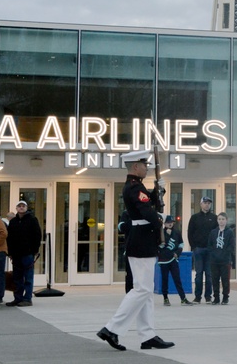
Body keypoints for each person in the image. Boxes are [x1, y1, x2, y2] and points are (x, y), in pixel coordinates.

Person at [97, 150, 174, 351]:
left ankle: (148, 335)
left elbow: (150, 203)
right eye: (144, 165)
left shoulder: (136, 187)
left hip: (142, 241)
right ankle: (111, 328)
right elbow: (148, 212)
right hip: (142, 242)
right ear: (135, 167)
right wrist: (161, 221)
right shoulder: (134, 187)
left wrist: (159, 192)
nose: (147, 168)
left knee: (145, 291)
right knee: (142, 289)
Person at [6, 199, 42, 307]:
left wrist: (34, 250)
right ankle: (18, 298)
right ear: (16, 208)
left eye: (23, 206)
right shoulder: (13, 222)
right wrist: (10, 253)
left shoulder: (32, 220)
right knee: (17, 278)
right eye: (19, 206)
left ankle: (27, 298)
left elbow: (37, 236)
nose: (21, 207)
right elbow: (10, 239)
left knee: (28, 277)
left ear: (26, 208)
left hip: (28, 254)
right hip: (16, 255)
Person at [187, 196, 217, 304]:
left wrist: (214, 248)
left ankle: (208, 297)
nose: (207, 204)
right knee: (199, 274)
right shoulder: (195, 217)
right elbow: (190, 232)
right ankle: (197, 297)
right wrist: (193, 246)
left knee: (209, 274)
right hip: (198, 249)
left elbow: (216, 233)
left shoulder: (214, 218)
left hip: (210, 250)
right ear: (200, 204)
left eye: (209, 203)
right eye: (205, 202)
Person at [157, 216, 191, 306]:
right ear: (164, 223)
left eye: (171, 222)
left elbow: (181, 244)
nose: (170, 224)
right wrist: (163, 241)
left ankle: (183, 298)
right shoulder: (161, 232)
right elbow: (158, 246)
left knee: (177, 279)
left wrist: (177, 253)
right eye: (168, 222)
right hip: (163, 260)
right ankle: (165, 298)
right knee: (165, 280)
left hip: (173, 259)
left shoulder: (177, 232)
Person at [207, 212, 234, 305]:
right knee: (215, 279)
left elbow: (231, 246)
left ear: (226, 220)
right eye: (219, 219)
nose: (221, 221)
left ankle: (225, 297)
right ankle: (216, 297)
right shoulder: (213, 232)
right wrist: (214, 254)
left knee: (225, 279)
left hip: (225, 260)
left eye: (223, 219)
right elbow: (209, 245)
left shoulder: (229, 232)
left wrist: (224, 254)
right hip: (214, 260)